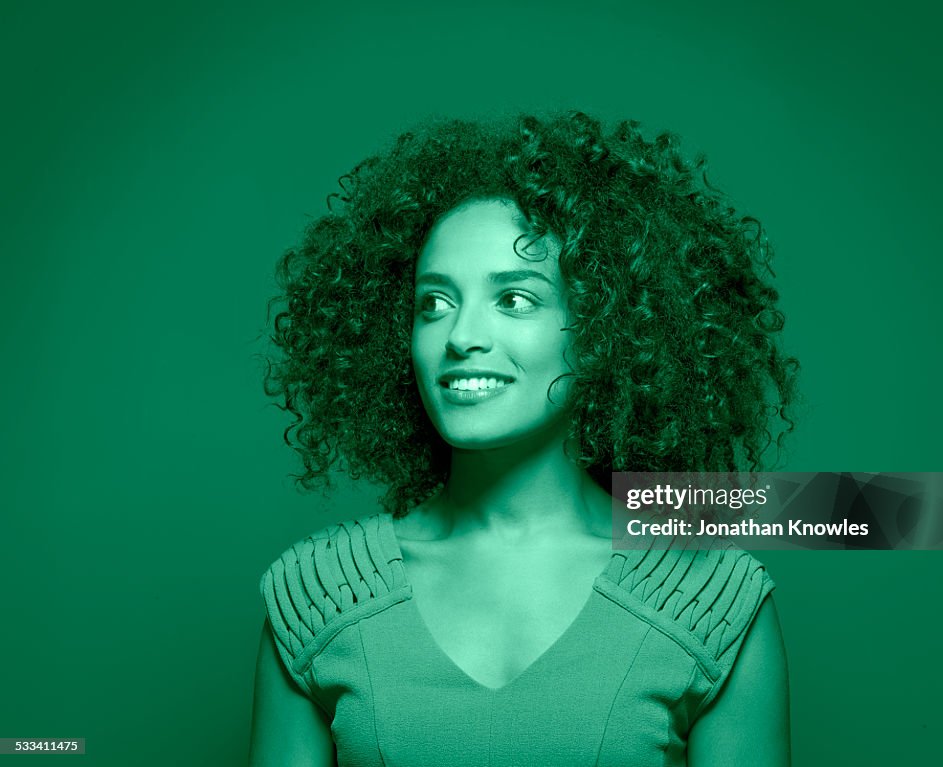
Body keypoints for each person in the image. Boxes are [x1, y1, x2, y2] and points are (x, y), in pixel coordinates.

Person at [249, 111, 797, 766]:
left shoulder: (712, 600)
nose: (459, 337)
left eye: (514, 299)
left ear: (600, 330)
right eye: (435, 302)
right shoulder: (319, 596)